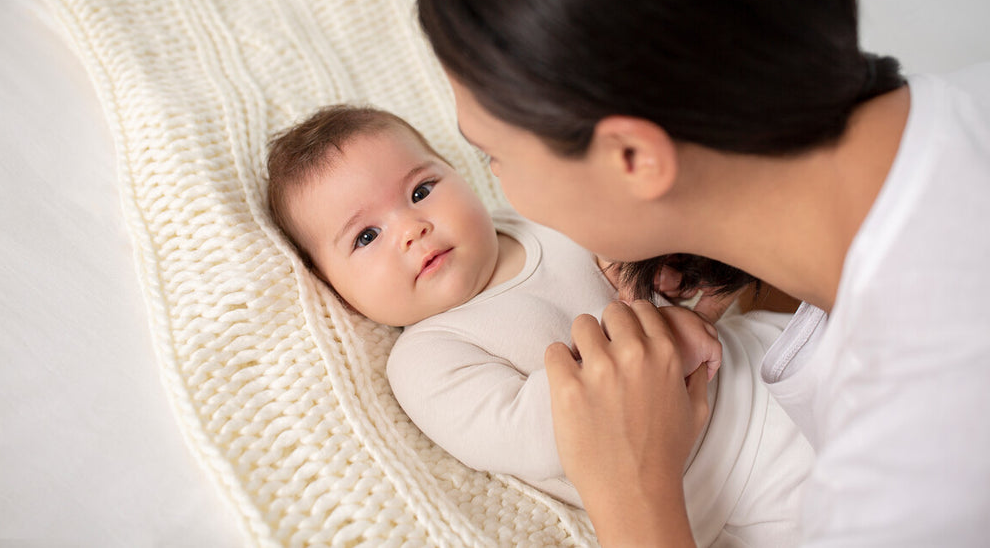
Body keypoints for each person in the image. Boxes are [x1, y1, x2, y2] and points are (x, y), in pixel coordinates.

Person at [415, 0, 990, 546]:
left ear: (633, 159)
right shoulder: (976, 103)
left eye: (495, 154)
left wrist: (633, 490)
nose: (498, 188)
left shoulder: (918, 472)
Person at [266, 104, 815, 547]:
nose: (411, 228)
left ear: (459, 172)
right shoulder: (428, 358)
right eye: (366, 237)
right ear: (336, 288)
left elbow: (652, 261)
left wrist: (669, 271)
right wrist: (659, 330)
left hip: (765, 353)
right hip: (735, 478)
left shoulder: (539, 217)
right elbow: (543, 435)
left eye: (420, 191)